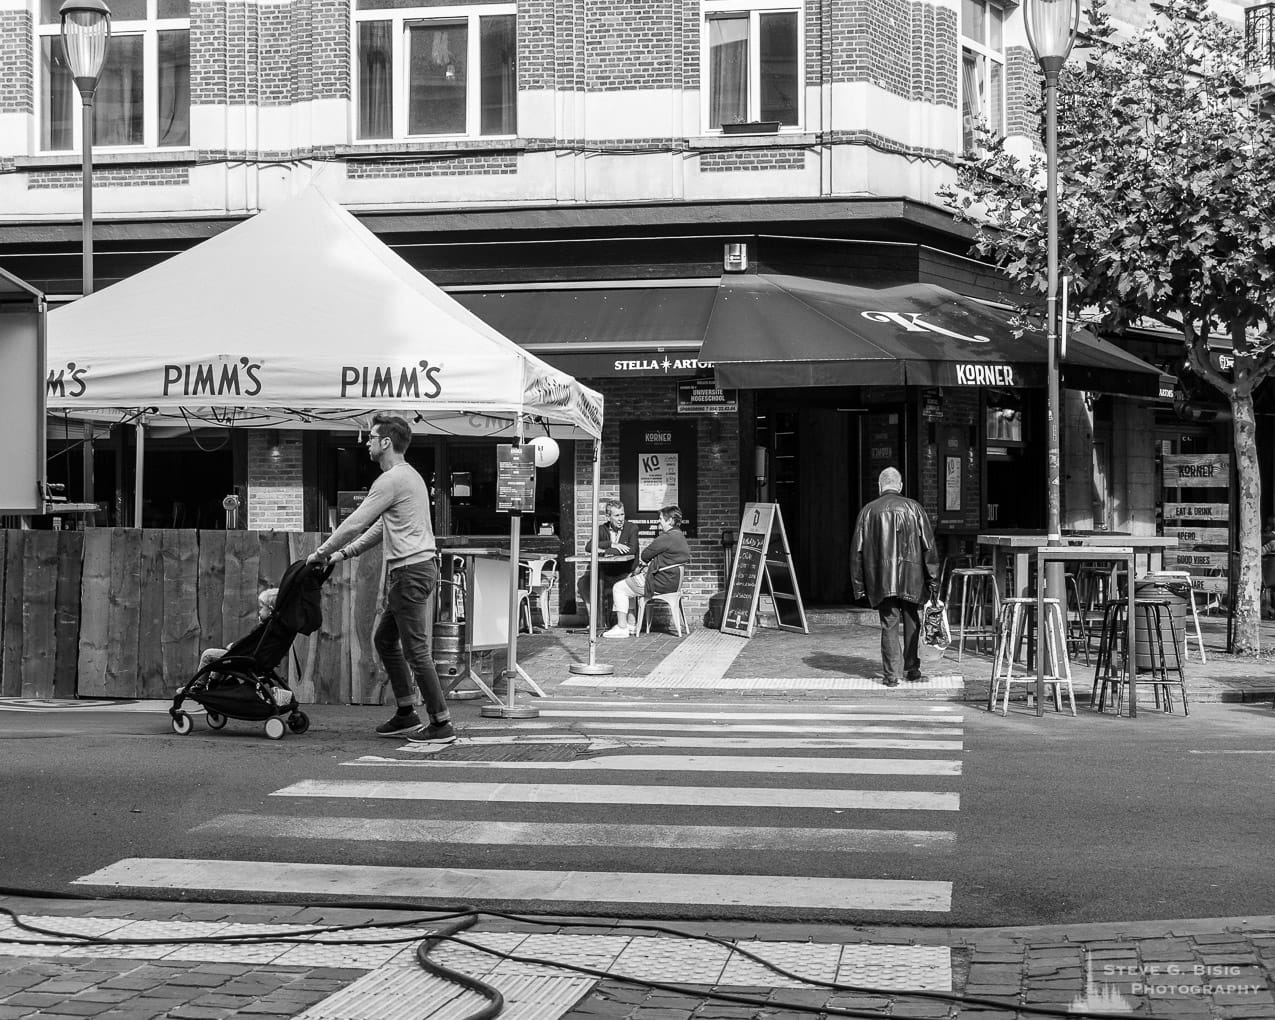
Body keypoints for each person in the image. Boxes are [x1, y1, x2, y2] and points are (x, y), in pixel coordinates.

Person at [307, 413, 454, 743]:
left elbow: (354, 522)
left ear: (386, 442)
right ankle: (406, 713)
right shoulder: (407, 477)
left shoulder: (390, 480)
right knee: (385, 640)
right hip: (415, 570)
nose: (367, 444)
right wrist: (342, 554)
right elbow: (377, 529)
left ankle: (441, 722)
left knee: (416, 651)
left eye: (371, 439)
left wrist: (320, 552)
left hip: (410, 572)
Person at [850, 467, 940, 687]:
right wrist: (933, 581)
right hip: (913, 578)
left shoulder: (868, 511)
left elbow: (856, 553)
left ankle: (892, 675)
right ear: (899, 486)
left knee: (889, 623)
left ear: (881, 486)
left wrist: (859, 586)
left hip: (881, 579)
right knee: (912, 621)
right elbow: (929, 547)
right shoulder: (914, 508)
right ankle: (912, 667)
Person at [604, 505, 691, 638]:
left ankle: (622, 627)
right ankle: (632, 625)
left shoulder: (666, 537)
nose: (659, 521)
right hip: (672, 582)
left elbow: (645, 555)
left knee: (619, 587)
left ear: (670, 521)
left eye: (661, 518)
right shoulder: (679, 536)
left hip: (658, 582)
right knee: (628, 584)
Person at [577, 499, 641, 628]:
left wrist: (604, 551)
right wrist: (611, 544)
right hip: (605, 574)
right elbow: (589, 547)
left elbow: (631, 550)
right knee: (583, 583)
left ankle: (629, 620)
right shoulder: (602, 529)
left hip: (625, 573)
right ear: (608, 516)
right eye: (616, 515)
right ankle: (595, 620)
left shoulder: (631, 528)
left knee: (623, 583)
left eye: (622, 514)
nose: (620, 519)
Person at [197, 587, 278, 673]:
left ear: (270, 609)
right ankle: (215, 682)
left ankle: (198, 684)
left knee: (208, 654)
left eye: (261, 608)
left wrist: (233, 646)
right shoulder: (275, 628)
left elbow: (247, 643)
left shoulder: (263, 628)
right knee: (222, 659)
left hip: (245, 659)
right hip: (257, 659)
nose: (259, 612)